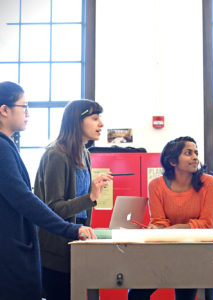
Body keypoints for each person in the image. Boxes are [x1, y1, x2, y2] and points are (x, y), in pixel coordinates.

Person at [0, 81, 97, 300]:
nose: (28, 113)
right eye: (23, 107)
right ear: (4, 110)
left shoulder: (7, 145)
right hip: (14, 251)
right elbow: (24, 199)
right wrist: (69, 229)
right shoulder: (2, 147)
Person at [34, 99, 112, 300]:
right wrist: (91, 197)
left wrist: (91, 194)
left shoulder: (85, 154)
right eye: (95, 118)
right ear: (77, 122)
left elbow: (81, 209)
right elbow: (53, 209)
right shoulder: (56, 155)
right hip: (56, 253)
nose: (101, 124)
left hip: (76, 246)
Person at [128, 136, 213, 300]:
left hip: (197, 252)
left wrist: (174, 229)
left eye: (196, 152)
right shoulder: (156, 185)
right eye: (188, 153)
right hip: (164, 251)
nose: (195, 157)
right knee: (136, 294)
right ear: (172, 161)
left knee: (185, 295)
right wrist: (158, 228)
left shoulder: (209, 183)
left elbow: (207, 224)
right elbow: (159, 222)